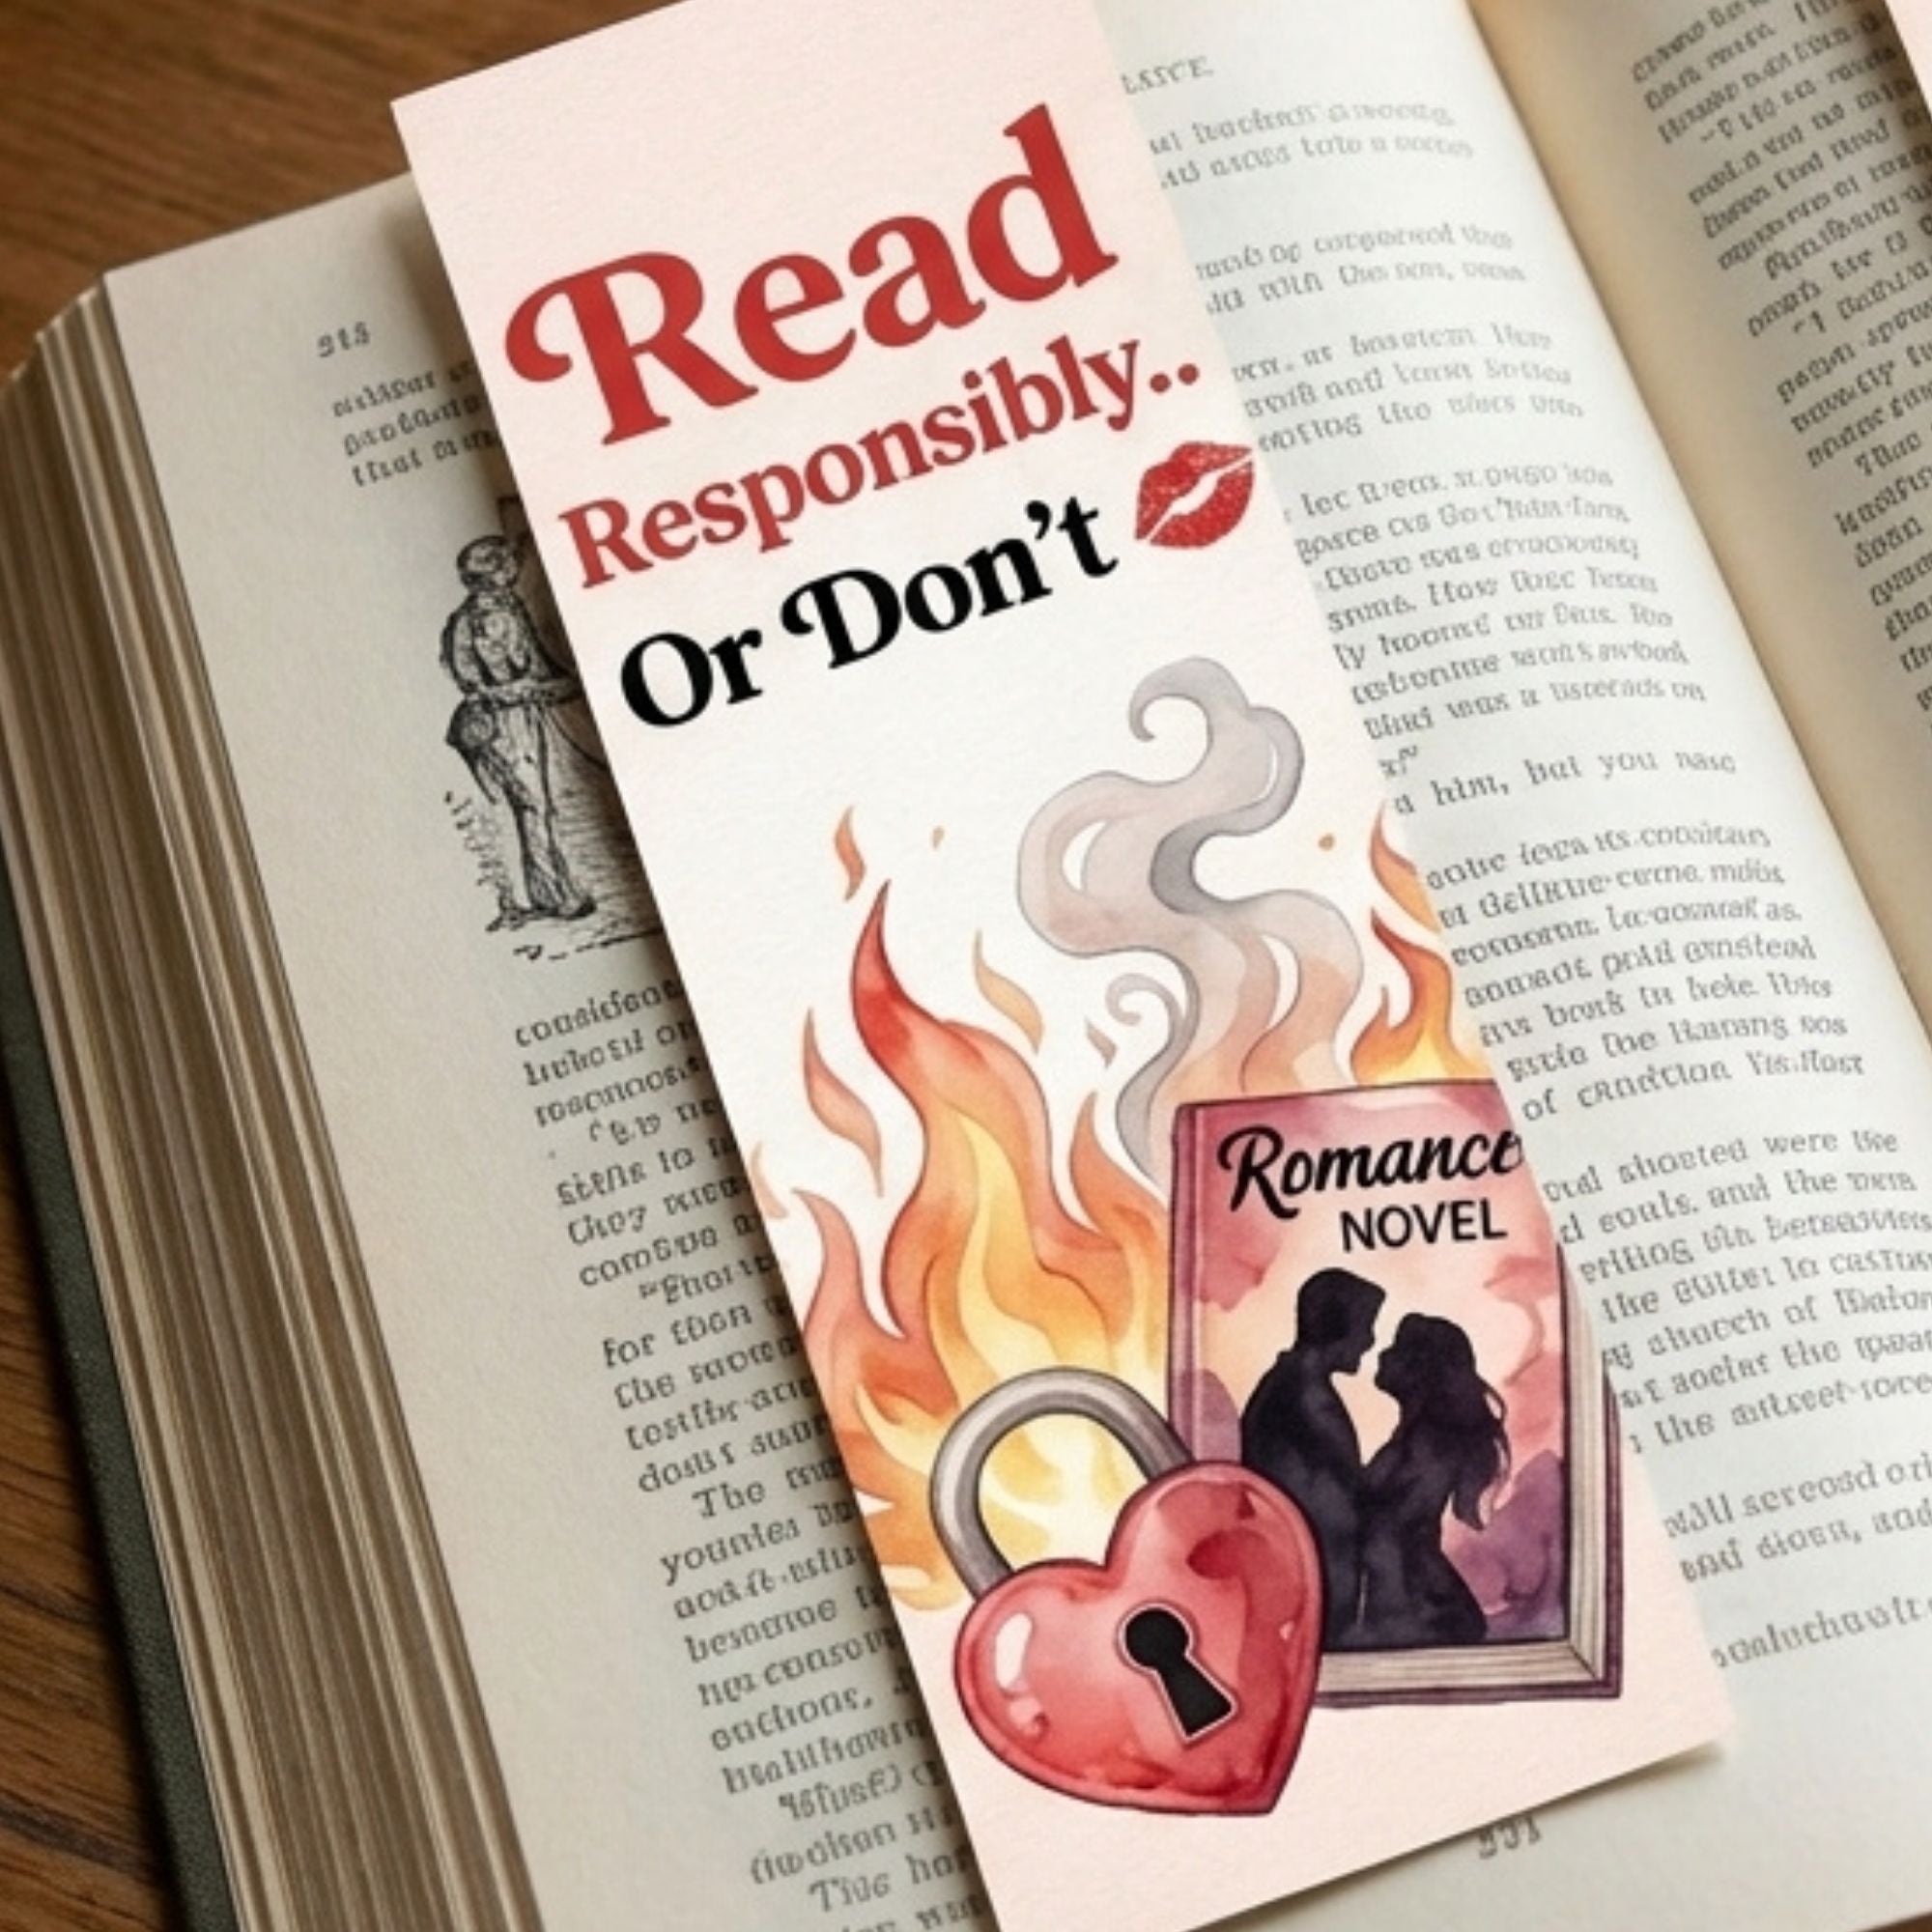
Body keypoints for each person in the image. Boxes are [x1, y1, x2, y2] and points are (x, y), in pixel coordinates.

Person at [441, 536, 597, 927]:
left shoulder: (507, 609)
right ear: (491, 574)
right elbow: (473, 682)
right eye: (506, 566)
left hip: (522, 716)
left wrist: (559, 684)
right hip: (498, 723)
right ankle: (552, 895)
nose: (513, 571)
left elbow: (539, 667)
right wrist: (528, 690)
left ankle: (550, 892)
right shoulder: (471, 621)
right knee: (530, 804)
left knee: (535, 804)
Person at [1240, 1267, 1385, 1644]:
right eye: (1366, 1327)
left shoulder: (1292, 1383)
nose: (1370, 1340)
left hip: (1313, 1566)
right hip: (1312, 1570)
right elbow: (1357, 1485)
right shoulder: (1307, 1395)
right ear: (1337, 1325)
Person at [1354, 1313, 1510, 1650]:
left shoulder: (1429, 1442)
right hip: (1407, 1591)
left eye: (1397, 1347)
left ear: (1421, 1368)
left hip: (1417, 1601)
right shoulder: (1417, 1435)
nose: (1384, 1354)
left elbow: (1394, 1524)